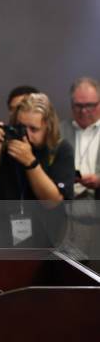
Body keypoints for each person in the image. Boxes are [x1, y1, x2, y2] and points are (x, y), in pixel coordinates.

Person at [0, 93, 74, 247]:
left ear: (48, 127)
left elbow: (52, 202)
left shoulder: (59, 149)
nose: (26, 135)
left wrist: (30, 163)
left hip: (43, 241)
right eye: (21, 127)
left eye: (34, 129)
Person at [59, 77, 100, 261]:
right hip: (66, 217)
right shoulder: (58, 131)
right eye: (78, 106)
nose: (84, 111)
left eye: (90, 105)